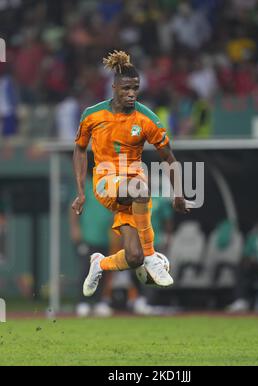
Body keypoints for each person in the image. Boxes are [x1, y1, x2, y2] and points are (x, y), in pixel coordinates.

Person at [72, 50, 192, 297]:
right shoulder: (92, 115)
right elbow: (80, 150)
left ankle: (100, 263)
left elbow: (169, 158)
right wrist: (81, 192)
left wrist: (178, 194)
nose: (131, 94)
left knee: (133, 256)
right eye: (126, 88)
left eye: (135, 88)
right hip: (106, 181)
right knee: (141, 189)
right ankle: (152, 257)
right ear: (114, 87)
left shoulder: (147, 119)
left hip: (132, 189)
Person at [70, 172, 114, 317]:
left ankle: (100, 302)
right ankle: (82, 302)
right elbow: (74, 208)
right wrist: (75, 228)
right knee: (85, 269)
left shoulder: (112, 187)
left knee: (103, 270)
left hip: (104, 238)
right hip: (87, 237)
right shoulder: (87, 186)